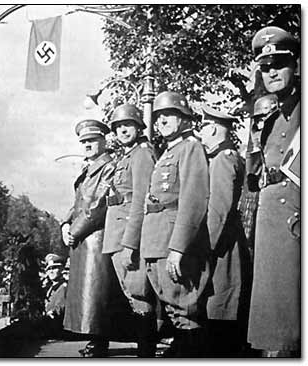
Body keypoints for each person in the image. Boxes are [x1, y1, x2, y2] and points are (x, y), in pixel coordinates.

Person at [140, 91, 211, 357]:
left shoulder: (191, 148)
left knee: (184, 309)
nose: (161, 121)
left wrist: (178, 248)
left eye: (168, 115)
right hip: (156, 239)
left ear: (184, 118)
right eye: (158, 117)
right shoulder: (167, 152)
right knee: (171, 308)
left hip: (171, 239)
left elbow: (193, 200)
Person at [246, 26, 300, 357]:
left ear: (295, 65)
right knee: (273, 325)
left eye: (278, 64)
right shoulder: (273, 116)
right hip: (272, 221)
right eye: (264, 68)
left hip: (293, 219)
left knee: (290, 323)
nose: (271, 72)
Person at [102, 103, 158, 357]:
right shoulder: (126, 156)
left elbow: (140, 200)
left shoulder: (142, 154)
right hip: (116, 231)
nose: (123, 130)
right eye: (118, 127)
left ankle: (145, 355)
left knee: (140, 295)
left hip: (127, 232)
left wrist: (130, 243)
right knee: (132, 296)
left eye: (128, 125)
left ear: (138, 126)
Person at [61, 118, 119, 357]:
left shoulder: (109, 167)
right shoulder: (88, 169)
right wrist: (65, 224)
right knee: (91, 294)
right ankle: (95, 340)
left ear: (104, 141)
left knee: (97, 294)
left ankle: (99, 342)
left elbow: (98, 203)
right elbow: (77, 204)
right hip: (85, 238)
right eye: (83, 141)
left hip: (96, 238)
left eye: (92, 140)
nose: (87, 144)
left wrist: (73, 231)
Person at [198, 105, 251, 356]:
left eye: (203, 126)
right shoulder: (223, 157)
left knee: (221, 306)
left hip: (221, 245)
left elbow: (219, 208)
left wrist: (204, 248)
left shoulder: (222, 159)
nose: (200, 132)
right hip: (223, 241)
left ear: (213, 127)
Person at [43, 254, 67, 320]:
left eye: (54, 268)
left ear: (61, 269)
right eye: (49, 269)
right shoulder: (49, 289)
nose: (51, 271)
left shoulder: (64, 287)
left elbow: (60, 307)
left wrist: (52, 312)